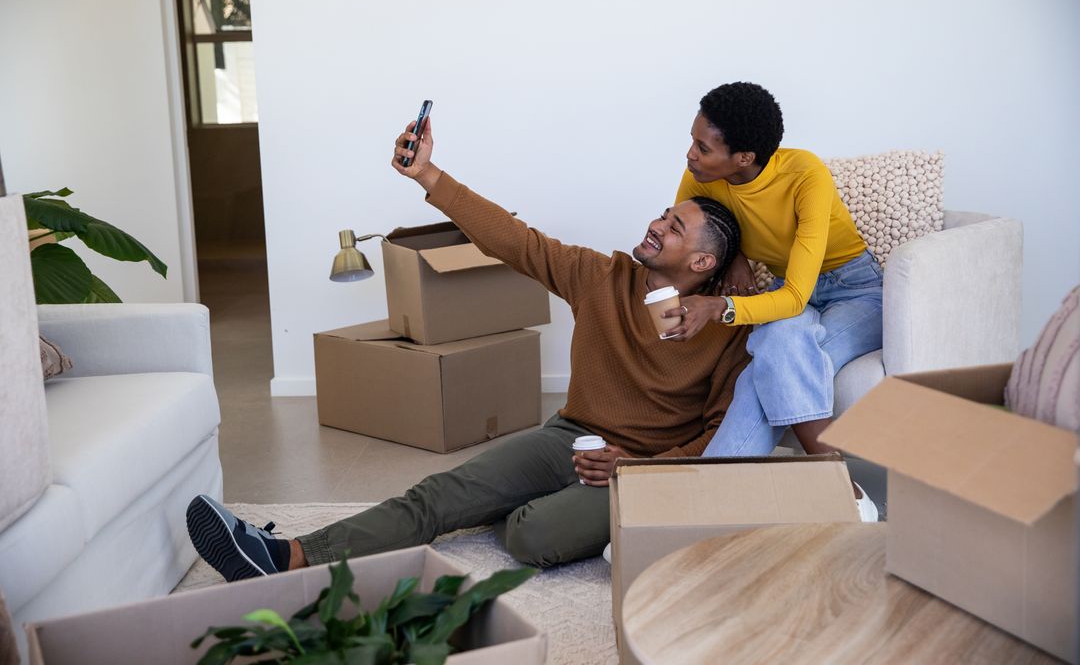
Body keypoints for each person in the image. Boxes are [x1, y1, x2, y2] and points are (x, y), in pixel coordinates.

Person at [185, 118, 751, 581]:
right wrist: (428, 173)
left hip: (638, 469)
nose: (656, 224)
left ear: (702, 263)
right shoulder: (600, 276)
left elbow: (721, 434)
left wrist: (640, 467)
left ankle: (512, 506)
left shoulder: (730, 329)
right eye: (664, 214)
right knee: (438, 496)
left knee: (535, 534)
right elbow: (512, 239)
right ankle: (287, 556)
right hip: (569, 434)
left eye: (674, 227)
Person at [659, 82, 882, 520]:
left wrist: (718, 308)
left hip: (858, 292)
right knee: (777, 351)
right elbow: (692, 238)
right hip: (790, 293)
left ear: (743, 157)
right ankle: (839, 490)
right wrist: (734, 260)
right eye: (692, 140)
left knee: (773, 357)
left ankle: (698, 508)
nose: (690, 154)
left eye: (703, 147)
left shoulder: (804, 174)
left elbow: (796, 296)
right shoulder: (700, 177)